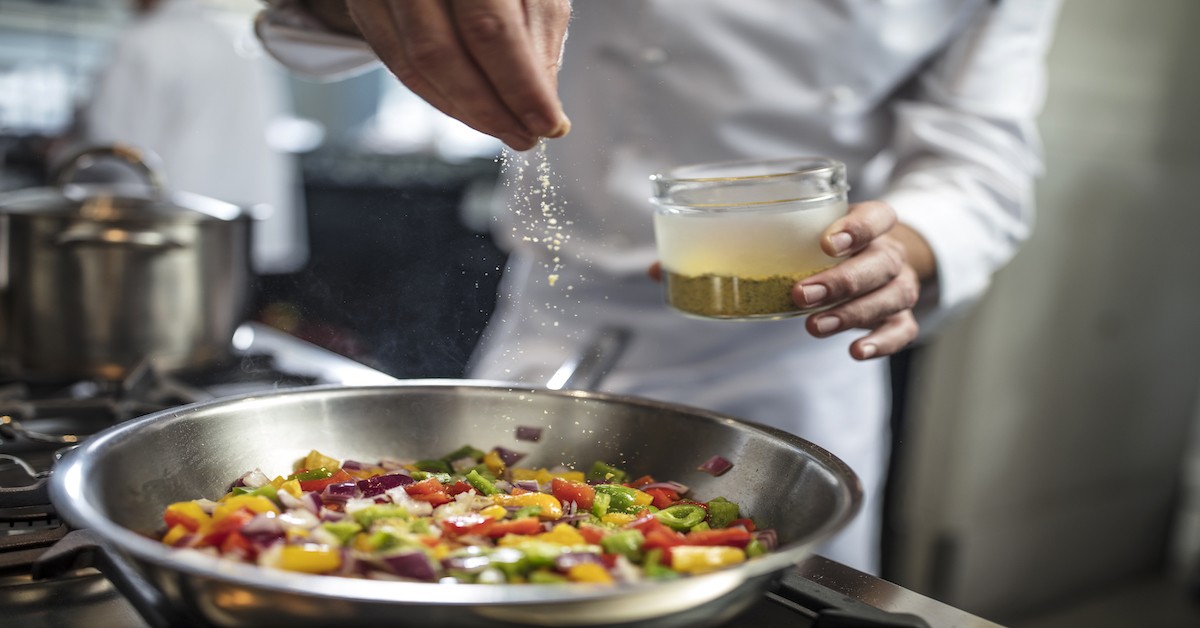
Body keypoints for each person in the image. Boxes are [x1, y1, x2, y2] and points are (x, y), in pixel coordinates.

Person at [255, 0, 1061, 574]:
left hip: (791, 358)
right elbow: (312, 22)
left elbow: (979, 157)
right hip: (555, 319)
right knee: (478, 562)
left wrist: (901, 249)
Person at [69, 0, 307, 274]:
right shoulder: (238, 42)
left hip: (163, 231)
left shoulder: (143, 41)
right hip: (240, 229)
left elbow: (112, 148)